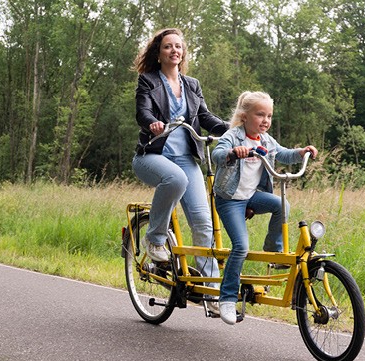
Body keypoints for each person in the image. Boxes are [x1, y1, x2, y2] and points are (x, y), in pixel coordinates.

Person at [132, 28, 228, 312]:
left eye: (178, 47)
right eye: (167, 47)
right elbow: (143, 111)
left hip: (187, 158)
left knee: (203, 223)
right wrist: (152, 123)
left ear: (183, 53)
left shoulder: (192, 84)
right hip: (153, 154)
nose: (174, 50)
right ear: (158, 53)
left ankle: (211, 292)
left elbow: (205, 116)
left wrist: (230, 130)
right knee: (175, 179)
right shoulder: (148, 81)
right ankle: (155, 238)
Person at [211, 91, 318, 325]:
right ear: (244, 116)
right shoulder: (234, 136)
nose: (266, 120)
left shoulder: (266, 141)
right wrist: (232, 153)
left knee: (282, 205)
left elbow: (283, 154)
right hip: (229, 199)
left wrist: (301, 153)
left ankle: (273, 251)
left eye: (269, 116)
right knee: (241, 246)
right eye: (260, 115)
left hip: (251, 197)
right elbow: (217, 153)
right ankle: (227, 299)